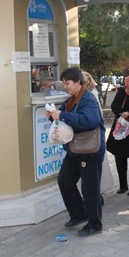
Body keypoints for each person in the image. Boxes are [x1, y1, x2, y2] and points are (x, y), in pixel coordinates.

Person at [45, 67, 106, 237]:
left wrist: (62, 115)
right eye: (64, 83)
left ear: (78, 82)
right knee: (64, 181)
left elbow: (90, 121)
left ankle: (95, 224)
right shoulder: (72, 99)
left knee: (90, 189)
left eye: (68, 83)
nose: (66, 86)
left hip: (90, 150)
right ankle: (79, 214)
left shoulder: (88, 99)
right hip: (75, 149)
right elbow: (64, 115)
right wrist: (52, 115)